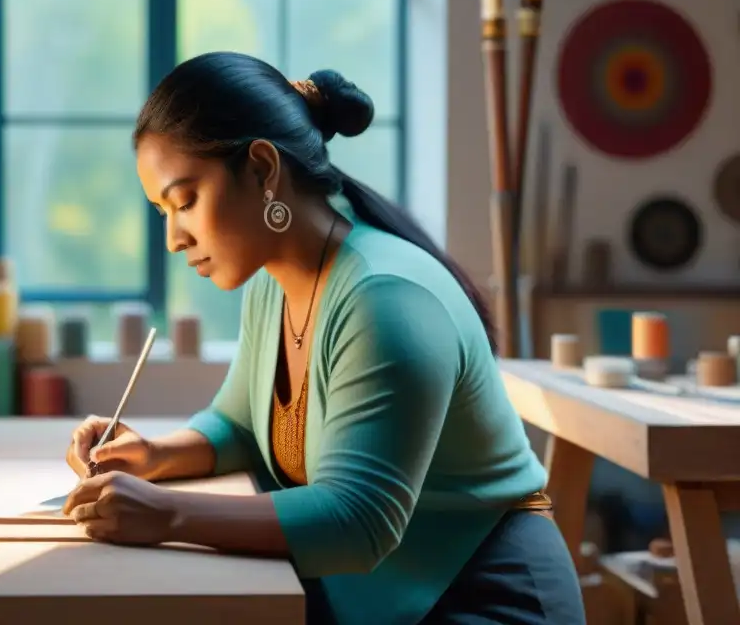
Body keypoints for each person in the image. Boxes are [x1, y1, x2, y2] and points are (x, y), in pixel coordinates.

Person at [62, 51, 585, 624]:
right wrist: (154, 456)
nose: (174, 238)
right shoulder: (274, 284)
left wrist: (167, 514)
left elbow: (358, 521)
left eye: (185, 201)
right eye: (163, 210)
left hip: (478, 596)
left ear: (262, 169)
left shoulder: (385, 298)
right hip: (376, 595)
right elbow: (238, 425)